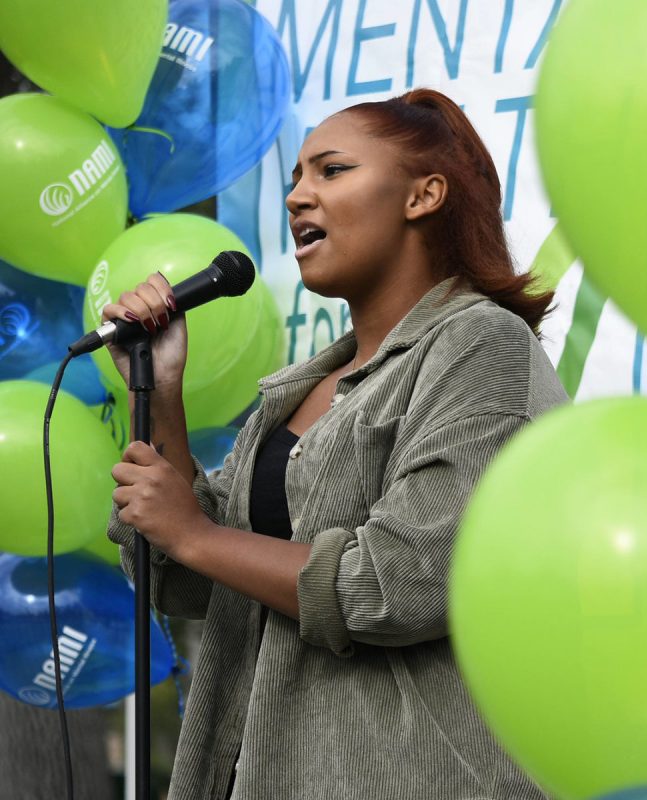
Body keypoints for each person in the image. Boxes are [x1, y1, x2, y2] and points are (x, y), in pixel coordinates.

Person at [106, 88, 567, 800]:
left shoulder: (482, 345)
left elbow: (400, 583)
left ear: (425, 195)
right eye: (293, 178)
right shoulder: (299, 391)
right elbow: (194, 577)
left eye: (331, 170)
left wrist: (194, 532)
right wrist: (161, 393)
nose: (297, 197)